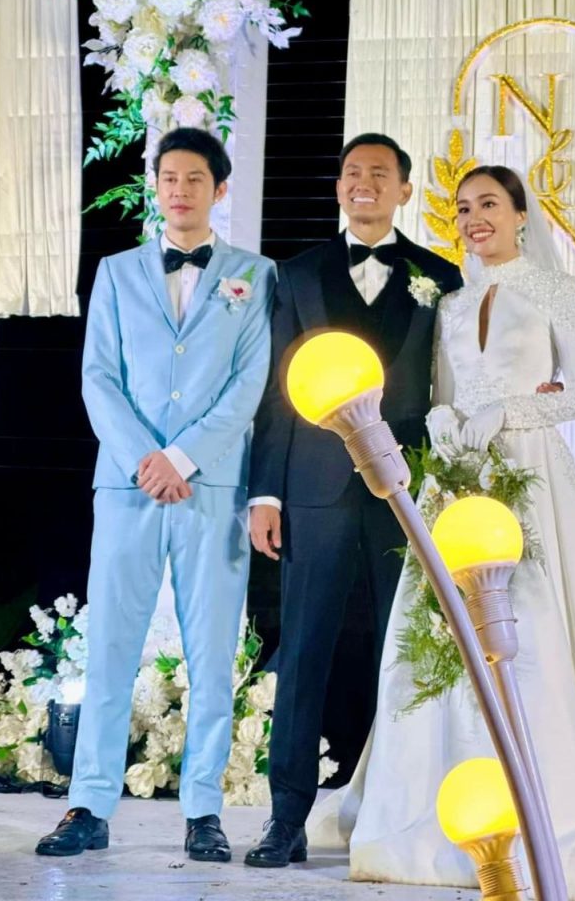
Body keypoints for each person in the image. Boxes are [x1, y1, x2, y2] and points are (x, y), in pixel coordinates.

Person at [308, 166, 575, 898]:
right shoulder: (452, 302)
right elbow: (443, 391)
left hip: (531, 475)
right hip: (456, 475)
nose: (474, 218)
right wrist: (445, 417)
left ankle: (549, 819)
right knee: (441, 635)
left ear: (521, 214)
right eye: (463, 207)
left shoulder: (555, 290)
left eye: (489, 204)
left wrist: (513, 411)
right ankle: (435, 825)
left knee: (530, 631)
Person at [36, 127, 276, 862]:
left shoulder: (255, 275)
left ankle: (203, 810)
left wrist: (182, 458)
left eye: (195, 178)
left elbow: (250, 384)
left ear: (219, 188)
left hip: (213, 488)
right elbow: (97, 378)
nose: (180, 190)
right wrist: (147, 459)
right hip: (127, 484)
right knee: (110, 646)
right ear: (155, 185)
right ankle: (88, 804)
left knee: (212, 653)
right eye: (169, 177)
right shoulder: (115, 272)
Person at [244, 133, 463, 868]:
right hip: (313, 487)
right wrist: (265, 492)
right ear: (339, 187)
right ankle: (285, 819)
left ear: (405, 190)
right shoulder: (297, 273)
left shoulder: (439, 277)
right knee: (303, 649)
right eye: (350, 173)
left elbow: (447, 386)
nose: (362, 183)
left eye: (378, 173)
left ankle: (393, 816)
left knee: (400, 653)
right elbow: (277, 392)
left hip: (404, 489)